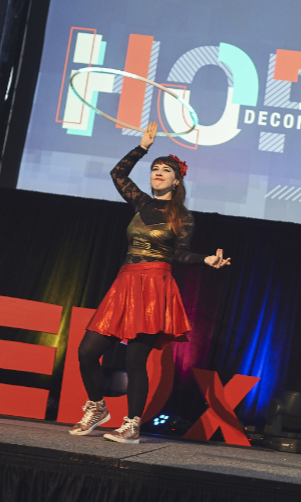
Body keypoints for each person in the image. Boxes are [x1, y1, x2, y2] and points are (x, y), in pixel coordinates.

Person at [70, 121, 230, 444]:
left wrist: (206, 260)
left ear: (176, 179)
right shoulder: (141, 203)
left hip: (155, 287)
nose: (157, 172)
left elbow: (180, 255)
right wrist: (142, 148)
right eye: (155, 168)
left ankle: (131, 424)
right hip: (125, 283)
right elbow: (118, 174)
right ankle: (98, 406)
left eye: (165, 170)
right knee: (87, 351)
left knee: (134, 359)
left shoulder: (182, 216)